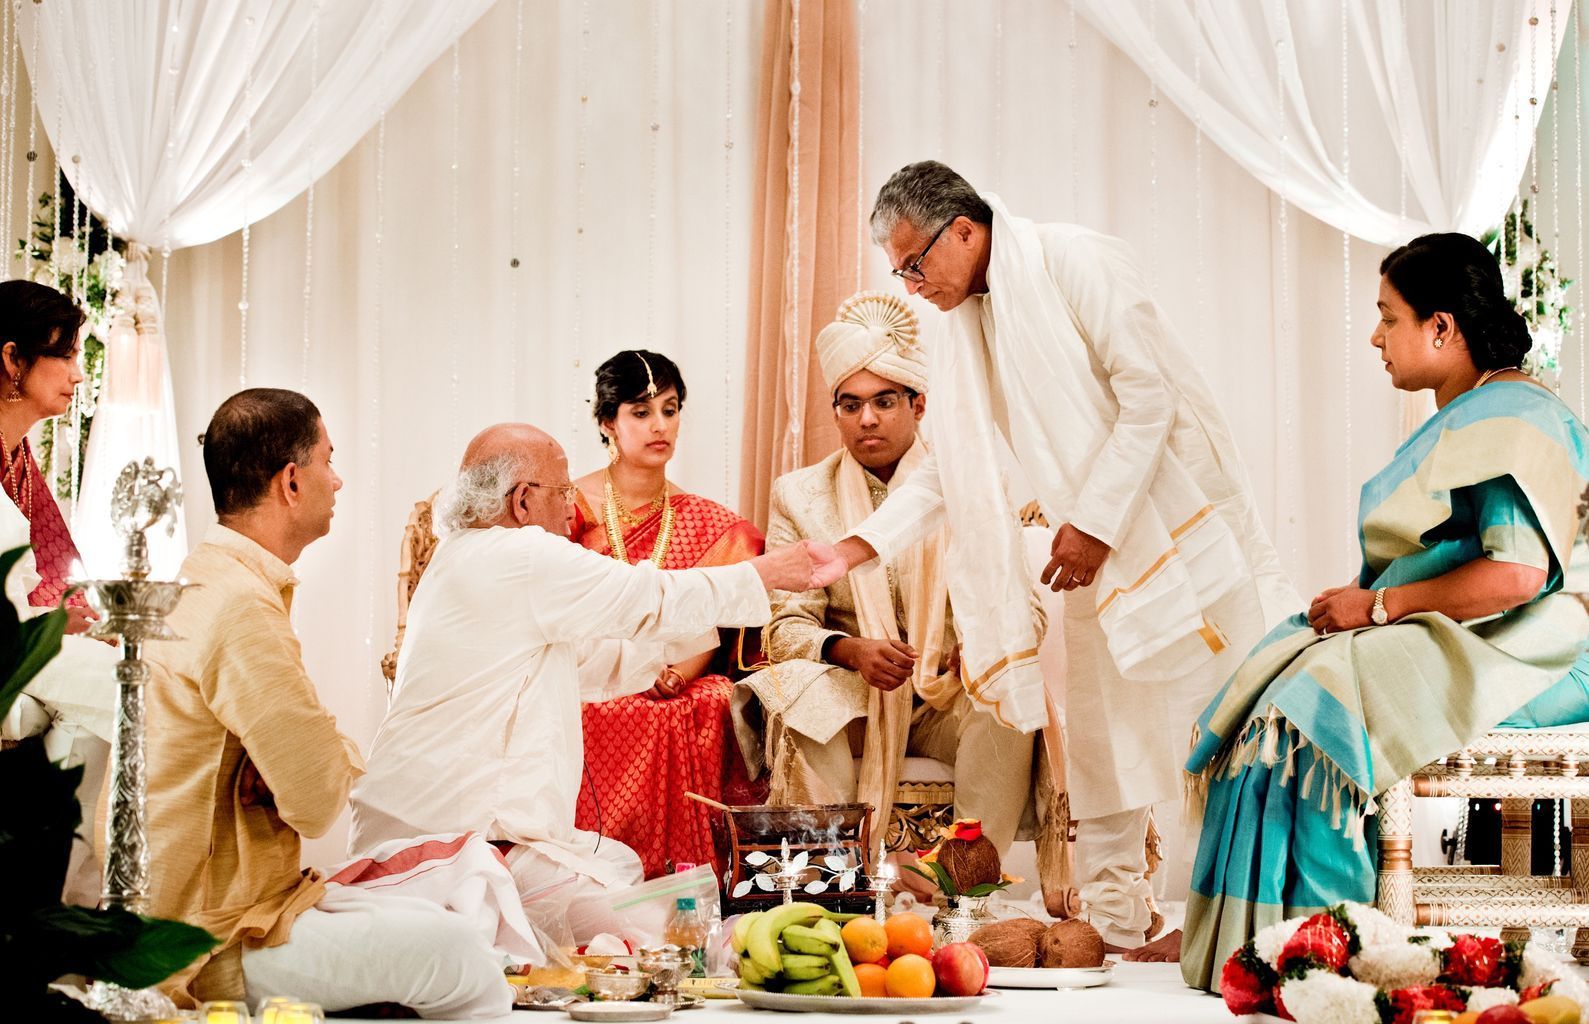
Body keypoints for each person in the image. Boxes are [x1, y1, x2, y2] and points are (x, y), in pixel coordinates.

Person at [816, 161, 1298, 957]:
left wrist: (1098, 522)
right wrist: (856, 548)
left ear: (963, 231)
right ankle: (1116, 919)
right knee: (1103, 735)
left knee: (1225, 726)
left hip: (1173, 535)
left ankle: (1246, 928)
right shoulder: (967, 322)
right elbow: (945, 464)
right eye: (896, 271)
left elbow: (1149, 396)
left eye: (913, 264)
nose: (908, 287)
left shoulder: (1075, 260)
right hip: (1091, 553)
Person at [1180, 233, 1589, 990]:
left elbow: (1519, 573)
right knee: (1286, 673)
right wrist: (1371, 610)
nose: (1375, 336)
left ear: (1440, 326)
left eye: (1386, 316)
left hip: (1543, 645)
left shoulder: (1508, 416)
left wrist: (1377, 607)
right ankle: (1258, 938)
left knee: (1314, 702)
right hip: (1483, 630)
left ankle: (1327, 945)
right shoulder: (1476, 410)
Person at [349, 422, 831, 949]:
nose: (575, 510)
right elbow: (647, 595)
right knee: (667, 933)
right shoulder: (519, 555)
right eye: (563, 493)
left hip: (438, 832)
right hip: (457, 844)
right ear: (523, 501)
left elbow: (596, 661)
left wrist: (697, 643)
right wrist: (767, 571)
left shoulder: (464, 559)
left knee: (622, 877)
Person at [139, 389, 520, 1016]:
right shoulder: (240, 607)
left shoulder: (210, 578)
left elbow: (309, 771)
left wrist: (310, 759)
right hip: (211, 933)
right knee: (459, 954)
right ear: (291, 481)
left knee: (459, 896)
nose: (338, 481)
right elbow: (317, 804)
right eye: (328, 460)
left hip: (243, 903)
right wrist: (324, 759)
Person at [734, 292, 1035, 862]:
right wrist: (849, 649)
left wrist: (978, 647)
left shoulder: (968, 479)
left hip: (944, 694)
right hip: (852, 693)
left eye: (884, 401)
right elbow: (783, 626)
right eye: (850, 405)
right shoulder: (800, 495)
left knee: (1008, 692)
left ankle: (966, 882)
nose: (866, 419)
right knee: (800, 696)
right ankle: (827, 877)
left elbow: (1018, 597)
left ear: (918, 406)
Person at [569, 350, 765, 878]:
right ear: (608, 421)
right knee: (596, 707)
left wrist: (681, 672)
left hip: (676, 675)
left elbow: (715, 623)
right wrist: (623, 667)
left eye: (670, 409)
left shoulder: (707, 524)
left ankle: (695, 878)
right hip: (584, 670)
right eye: (640, 411)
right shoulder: (568, 508)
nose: (660, 426)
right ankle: (597, 873)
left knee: (713, 699)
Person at [0, 279, 118, 906]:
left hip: (26, 642)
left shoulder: (17, 458)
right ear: (13, 359)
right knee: (132, 690)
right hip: (7, 648)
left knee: (125, 683)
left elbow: (51, 572)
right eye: (65, 354)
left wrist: (80, 620)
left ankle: (67, 910)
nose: (78, 373)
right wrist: (54, 625)